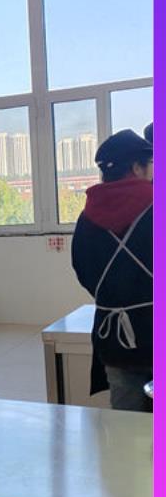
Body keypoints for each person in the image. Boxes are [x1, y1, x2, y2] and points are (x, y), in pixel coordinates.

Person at [71, 129, 153, 412]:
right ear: (136, 167)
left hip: (114, 335)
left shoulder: (87, 217)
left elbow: (82, 269)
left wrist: (115, 297)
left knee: (126, 418)